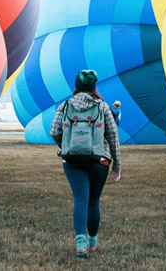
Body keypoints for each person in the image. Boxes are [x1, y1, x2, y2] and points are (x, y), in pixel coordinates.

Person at [50, 69, 121, 260]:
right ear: (93, 86)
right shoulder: (103, 106)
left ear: (77, 86)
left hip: (72, 160)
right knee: (93, 201)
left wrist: (66, 146)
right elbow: (113, 137)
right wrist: (116, 166)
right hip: (100, 160)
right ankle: (92, 242)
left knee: (80, 199)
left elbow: (54, 130)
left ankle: (80, 244)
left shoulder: (65, 106)